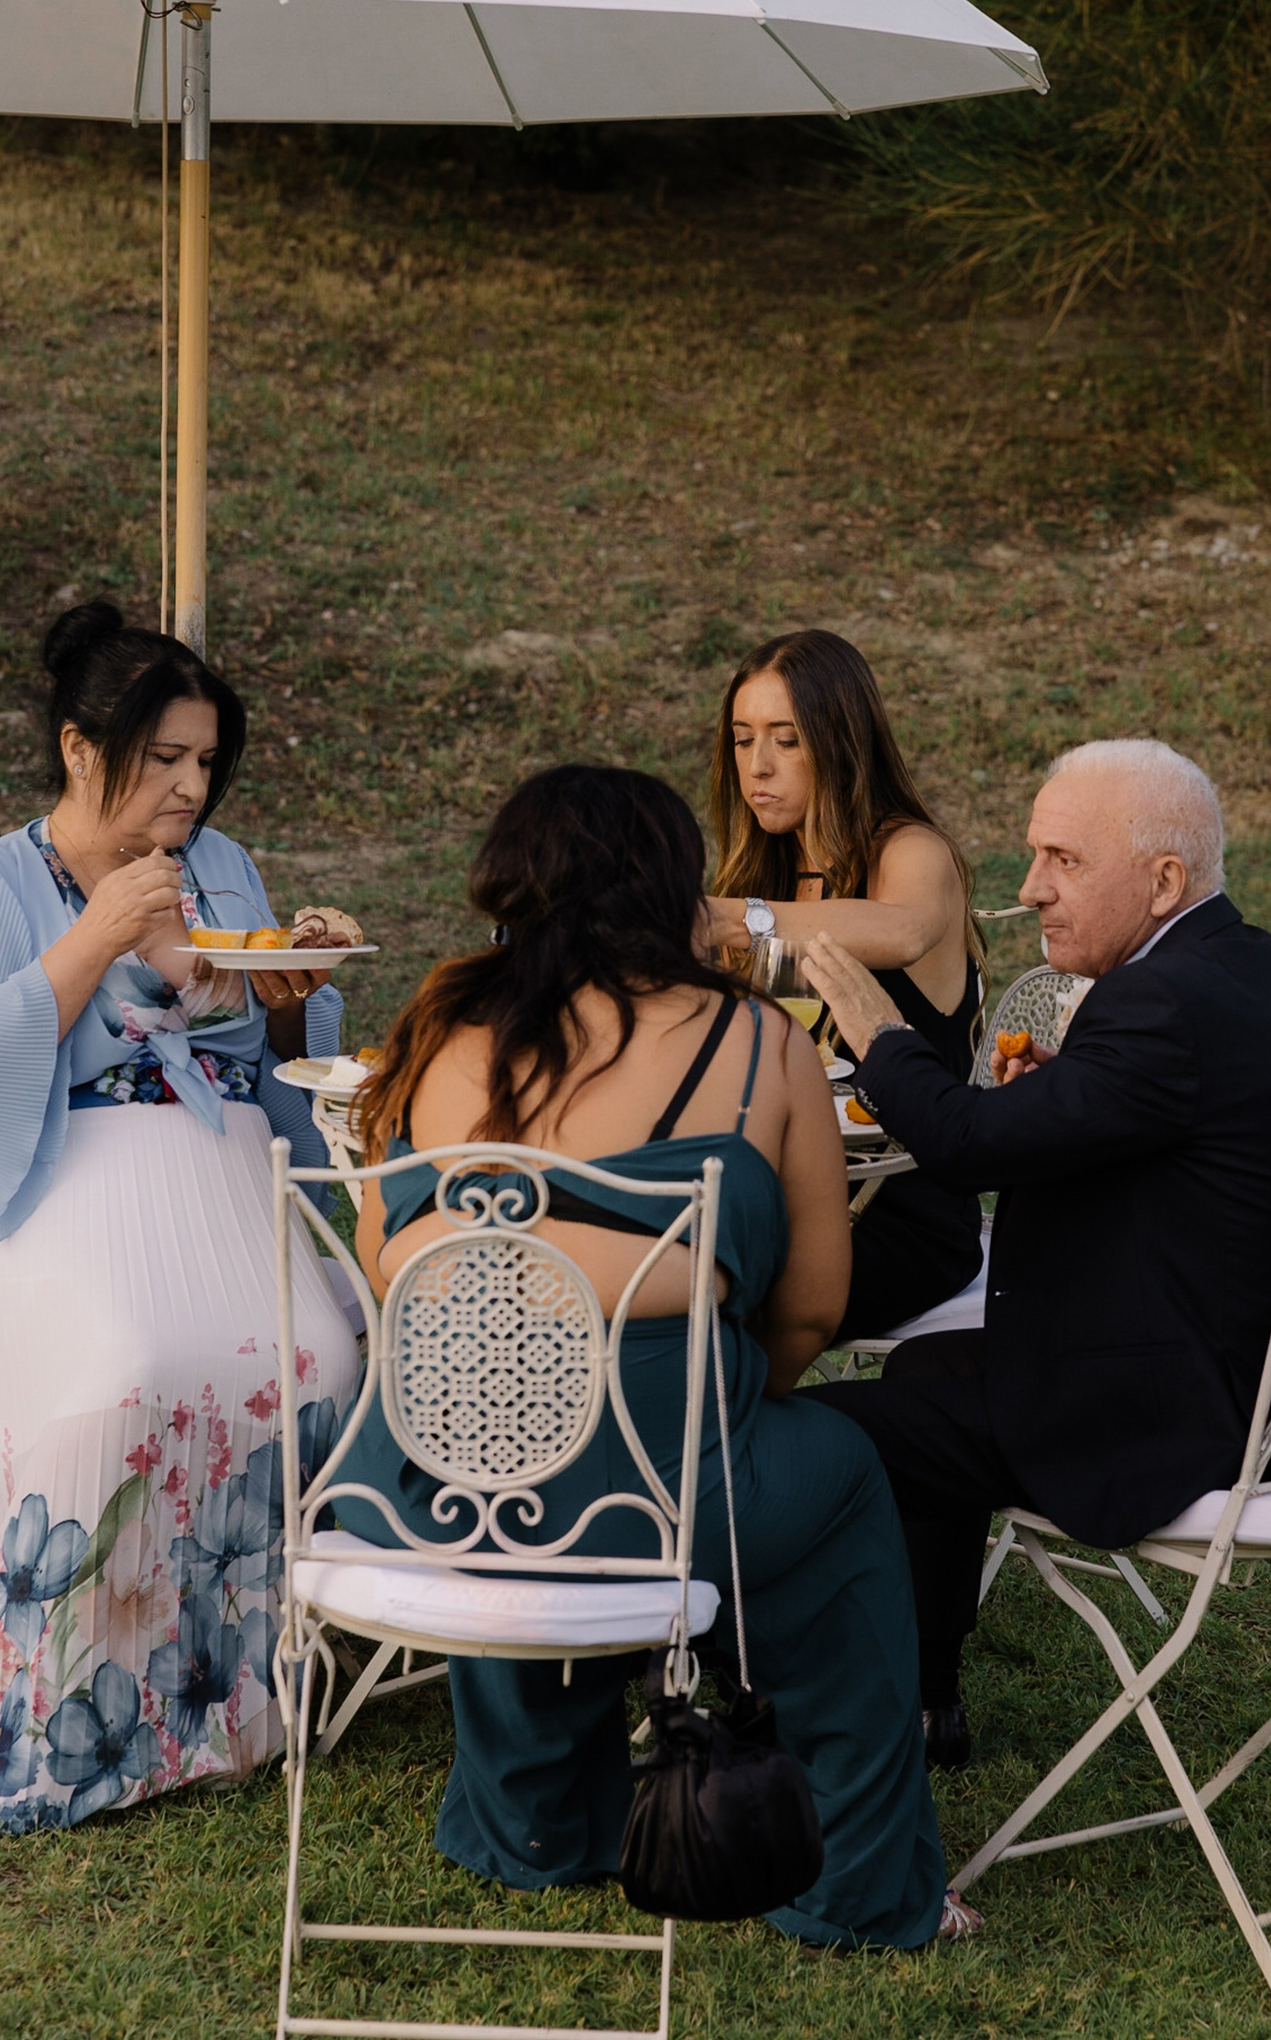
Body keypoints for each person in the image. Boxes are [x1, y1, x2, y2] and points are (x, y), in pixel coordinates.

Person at [335, 764, 955, 1950]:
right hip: (663, 1491)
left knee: (521, 1437)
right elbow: (812, 1310)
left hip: (433, 1490)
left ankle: (537, 1824)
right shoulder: (754, 1044)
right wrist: (737, 1401)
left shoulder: (431, 1029)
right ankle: (852, 1881)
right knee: (839, 1477)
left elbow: (383, 1266)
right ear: (676, 888)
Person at [0, 600, 360, 1829]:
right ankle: (73, 1695)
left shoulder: (224, 868)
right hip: (52, 1172)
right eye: (165, 758)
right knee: (125, 1370)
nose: (192, 787)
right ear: (81, 748)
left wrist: (295, 993)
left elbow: (269, 1056)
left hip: (215, 1165)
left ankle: (237, 1692)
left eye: (205, 761)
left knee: (322, 1354)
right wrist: (97, 935)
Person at [800, 736, 1271, 1768]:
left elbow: (964, 1146)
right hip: (1265, 1388)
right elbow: (1180, 1145)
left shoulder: (1161, 1004)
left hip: (1166, 1418)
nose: (1030, 889)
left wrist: (880, 1031)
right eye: (1034, 856)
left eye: (1063, 860)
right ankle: (923, 1704)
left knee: (810, 1434)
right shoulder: (1258, 973)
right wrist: (1068, 1092)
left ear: (1164, 882)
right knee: (924, 1369)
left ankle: (786, 1707)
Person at [706, 628, 986, 1340]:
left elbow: (903, 930)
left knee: (707, 1312)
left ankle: (752, 1412)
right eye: (742, 740)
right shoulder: (766, 876)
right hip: (778, 1198)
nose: (758, 765)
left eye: (787, 739)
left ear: (841, 742)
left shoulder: (911, 852)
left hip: (901, 1217)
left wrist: (730, 919)